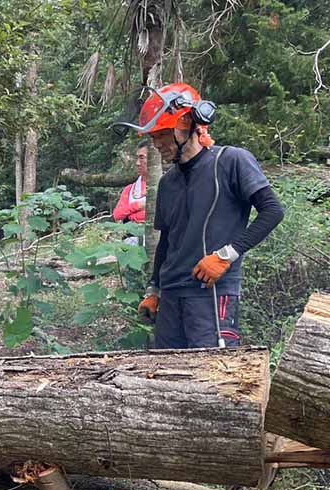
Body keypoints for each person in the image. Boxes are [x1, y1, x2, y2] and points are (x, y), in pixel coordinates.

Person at [116, 83, 284, 348]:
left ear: (187, 124)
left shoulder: (230, 161)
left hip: (210, 293)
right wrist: (154, 290)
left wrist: (226, 255)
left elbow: (273, 211)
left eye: (161, 134)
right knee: (167, 378)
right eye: (154, 136)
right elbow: (167, 242)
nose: (156, 143)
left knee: (212, 378)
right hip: (171, 296)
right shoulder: (168, 182)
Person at [113, 140, 149, 245]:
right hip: (132, 242)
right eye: (137, 158)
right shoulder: (130, 189)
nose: (137, 163)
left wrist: (131, 216)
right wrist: (139, 205)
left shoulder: (166, 184)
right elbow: (117, 214)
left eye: (142, 158)